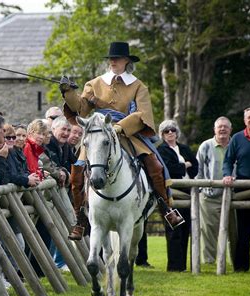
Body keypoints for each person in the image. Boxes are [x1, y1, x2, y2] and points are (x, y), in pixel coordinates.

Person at [59, 41, 184, 232]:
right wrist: (68, 92)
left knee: (155, 166)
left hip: (127, 134)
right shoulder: (94, 83)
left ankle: (166, 207)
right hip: (98, 136)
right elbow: (81, 110)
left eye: (116, 58)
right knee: (77, 171)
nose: (112, 61)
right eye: (110, 58)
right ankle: (80, 219)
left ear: (126, 61)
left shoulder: (138, 86)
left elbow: (142, 114)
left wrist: (119, 127)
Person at [157, 120, 198, 272]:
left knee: (185, 228)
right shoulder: (161, 150)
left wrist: (188, 167)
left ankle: (182, 266)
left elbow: (196, 165)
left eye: (172, 130)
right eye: (166, 131)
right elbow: (167, 168)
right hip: (172, 193)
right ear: (162, 134)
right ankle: (174, 267)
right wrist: (185, 166)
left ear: (177, 132)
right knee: (174, 229)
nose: (170, 133)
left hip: (188, 191)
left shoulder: (184, 148)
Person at [196, 116, 232, 264]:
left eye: (225, 126)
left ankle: (234, 260)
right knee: (208, 230)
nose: (222, 129)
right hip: (209, 194)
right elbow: (198, 170)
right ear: (214, 129)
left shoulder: (234, 144)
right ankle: (210, 261)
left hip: (233, 194)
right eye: (219, 127)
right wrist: (199, 189)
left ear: (230, 129)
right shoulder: (206, 145)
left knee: (233, 230)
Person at [223, 107, 250, 272]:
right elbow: (228, 161)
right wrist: (227, 175)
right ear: (244, 120)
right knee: (244, 231)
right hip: (243, 190)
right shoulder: (236, 139)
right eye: (249, 118)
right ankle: (241, 267)